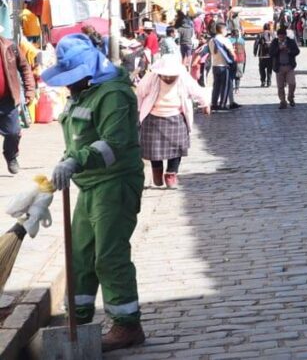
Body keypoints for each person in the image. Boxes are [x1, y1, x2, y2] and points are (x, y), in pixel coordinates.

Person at [43, 34, 145, 351]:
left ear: (89, 69)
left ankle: (127, 326)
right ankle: (78, 320)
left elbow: (113, 143)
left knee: (109, 256)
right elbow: (79, 140)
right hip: (89, 183)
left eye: (74, 80)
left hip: (114, 184)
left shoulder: (113, 94)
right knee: (81, 255)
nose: (68, 87)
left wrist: (75, 161)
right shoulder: (84, 92)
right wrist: (62, 167)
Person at [135, 55, 210, 189]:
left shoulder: (184, 78)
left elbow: (196, 90)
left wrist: (205, 104)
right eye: (165, 76)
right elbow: (140, 93)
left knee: (178, 148)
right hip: (153, 117)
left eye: (171, 76)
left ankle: (171, 174)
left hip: (176, 116)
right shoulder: (151, 78)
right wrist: (138, 111)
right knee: (154, 151)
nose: (168, 78)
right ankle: (156, 172)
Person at [0, 26, 35, 174]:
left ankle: (11, 155)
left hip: (7, 100)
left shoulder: (10, 47)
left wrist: (30, 90)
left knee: (13, 132)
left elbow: (25, 68)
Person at [207, 23, 237, 111]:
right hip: (224, 65)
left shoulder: (211, 40)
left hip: (215, 65)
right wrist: (234, 58)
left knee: (216, 86)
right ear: (223, 30)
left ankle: (214, 103)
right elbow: (231, 52)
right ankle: (222, 104)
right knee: (225, 86)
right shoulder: (225, 40)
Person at [270, 27, 300, 109]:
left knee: (292, 83)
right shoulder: (275, 42)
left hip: (289, 66)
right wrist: (278, 49)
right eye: (280, 37)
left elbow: (297, 51)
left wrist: (289, 50)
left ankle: (290, 97)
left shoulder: (290, 41)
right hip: (279, 67)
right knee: (280, 86)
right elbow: (271, 53)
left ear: (285, 36)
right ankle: (283, 101)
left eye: (283, 37)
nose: (281, 38)